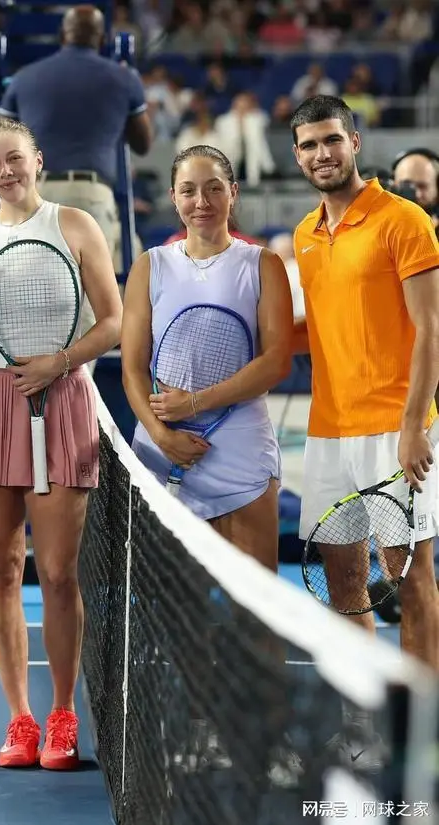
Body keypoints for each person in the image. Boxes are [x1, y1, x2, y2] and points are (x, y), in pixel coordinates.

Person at [0, 117, 122, 770]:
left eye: (14, 158)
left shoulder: (76, 226)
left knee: (58, 573)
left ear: (38, 159)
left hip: (61, 397)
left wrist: (59, 361)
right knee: (0, 567)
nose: (4, 171)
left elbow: (114, 321)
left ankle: (62, 714)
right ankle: (20, 717)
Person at [291, 95, 439, 761]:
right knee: (345, 585)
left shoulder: (404, 219)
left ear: (354, 141)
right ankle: (361, 724)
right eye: (308, 145)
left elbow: (431, 329)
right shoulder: (304, 235)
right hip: (329, 434)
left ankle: (421, 733)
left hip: (395, 429)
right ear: (297, 155)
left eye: (331, 140)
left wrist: (413, 426)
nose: (321, 154)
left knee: (410, 580)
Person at [122, 144, 293, 569]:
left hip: (241, 450)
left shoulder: (264, 264)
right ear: (173, 197)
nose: (202, 202)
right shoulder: (149, 266)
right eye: (188, 190)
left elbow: (276, 362)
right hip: (159, 450)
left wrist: (194, 404)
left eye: (214, 188)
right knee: (167, 598)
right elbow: (132, 368)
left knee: (254, 599)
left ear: (233, 192)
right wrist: (162, 436)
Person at [0, 4, 152, 373]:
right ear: (102, 38)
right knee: (92, 305)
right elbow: (143, 142)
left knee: (33, 293)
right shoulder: (123, 78)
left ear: (62, 35)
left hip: (35, 195)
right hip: (91, 196)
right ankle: (78, 390)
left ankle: (34, 381)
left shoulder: (25, 78)